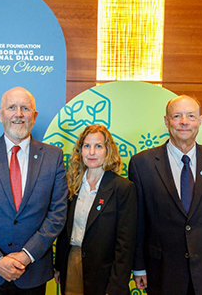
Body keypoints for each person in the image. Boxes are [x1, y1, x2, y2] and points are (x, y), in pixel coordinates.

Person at [128, 95, 202, 295]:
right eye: (177, 116)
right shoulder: (142, 164)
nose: (184, 122)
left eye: (191, 116)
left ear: (200, 120)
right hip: (162, 270)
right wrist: (139, 266)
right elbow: (138, 222)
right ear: (166, 121)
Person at [0, 86, 68, 295]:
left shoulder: (53, 157)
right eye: (12, 107)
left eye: (25, 108)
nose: (18, 114)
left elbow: (57, 213)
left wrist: (27, 255)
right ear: (0, 115)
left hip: (32, 271)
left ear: (34, 116)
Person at [55, 125, 137, 295]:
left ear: (108, 151)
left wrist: (117, 285)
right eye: (87, 146)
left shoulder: (122, 188)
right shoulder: (72, 185)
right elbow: (64, 230)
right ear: (80, 151)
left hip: (105, 274)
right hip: (72, 264)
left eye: (98, 146)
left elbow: (125, 245)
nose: (91, 152)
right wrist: (59, 266)